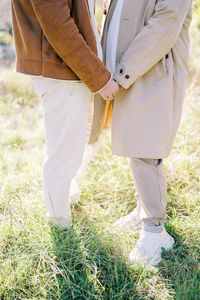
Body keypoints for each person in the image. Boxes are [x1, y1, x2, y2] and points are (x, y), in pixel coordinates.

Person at [88, 0, 192, 266]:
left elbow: (164, 24)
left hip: (152, 70)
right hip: (129, 71)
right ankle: (142, 209)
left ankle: (155, 231)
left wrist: (123, 71)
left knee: (146, 151)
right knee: (134, 144)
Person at [11, 0, 119, 228]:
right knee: (64, 153)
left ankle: (64, 203)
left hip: (66, 68)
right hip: (61, 70)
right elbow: (59, 27)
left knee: (72, 146)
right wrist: (99, 78)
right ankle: (60, 223)